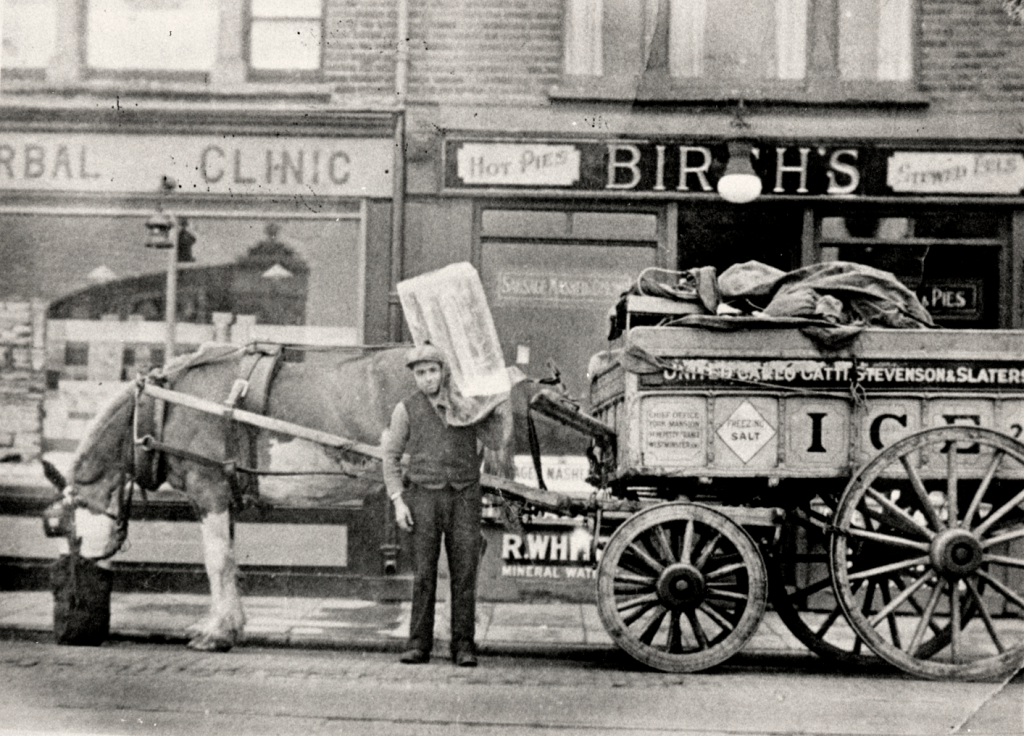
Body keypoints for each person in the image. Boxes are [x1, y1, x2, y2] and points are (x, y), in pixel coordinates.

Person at [382, 342, 511, 667]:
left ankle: (463, 646)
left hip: (464, 496)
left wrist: (494, 406)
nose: (427, 378)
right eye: (421, 373)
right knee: (424, 573)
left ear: (443, 372)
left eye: (432, 371)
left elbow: (495, 440)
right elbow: (391, 457)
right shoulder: (406, 409)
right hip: (423, 498)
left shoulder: (465, 404)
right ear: (414, 376)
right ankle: (418, 644)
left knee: (464, 573)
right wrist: (398, 501)